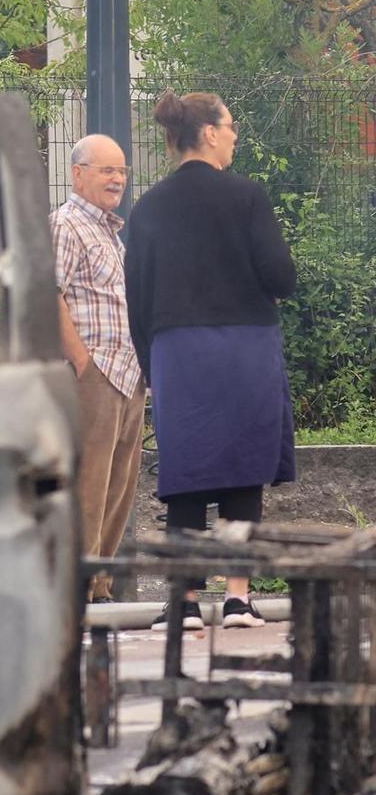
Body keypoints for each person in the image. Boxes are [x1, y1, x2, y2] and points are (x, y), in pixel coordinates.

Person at [126, 91, 297, 629]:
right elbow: (281, 278)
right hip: (245, 345)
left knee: (186, 470)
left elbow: (138, 292)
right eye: (230, 128)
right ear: (208, 133)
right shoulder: (247, 197)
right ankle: (239, 598)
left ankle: (185, 600)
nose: (235, 137)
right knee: (244, 465)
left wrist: (151, 362)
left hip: (178, 348)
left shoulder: (149, 206)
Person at [52, 134, 144, 603]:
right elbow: (50, 294)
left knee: (121, 484)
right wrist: (83, 364)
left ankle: (99, 584)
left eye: (122, 171)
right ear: (78, 174)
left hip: (128, 374)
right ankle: (79, 584)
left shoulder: (108, 229)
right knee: (90, 481)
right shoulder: (66, 225)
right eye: (107, 170)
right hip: (96, 374)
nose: (117, 180)